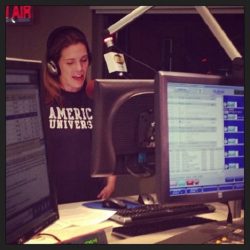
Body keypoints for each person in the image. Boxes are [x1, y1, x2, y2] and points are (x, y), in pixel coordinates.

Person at [42, 26, 116, 204]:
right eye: (70, 62)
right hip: (53, 205)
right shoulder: (41, 100)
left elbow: (108, 144)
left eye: (83, 60)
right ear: (54, 66)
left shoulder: (96, 96)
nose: (79, 68)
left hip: (92, 202)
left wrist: (111, 179)